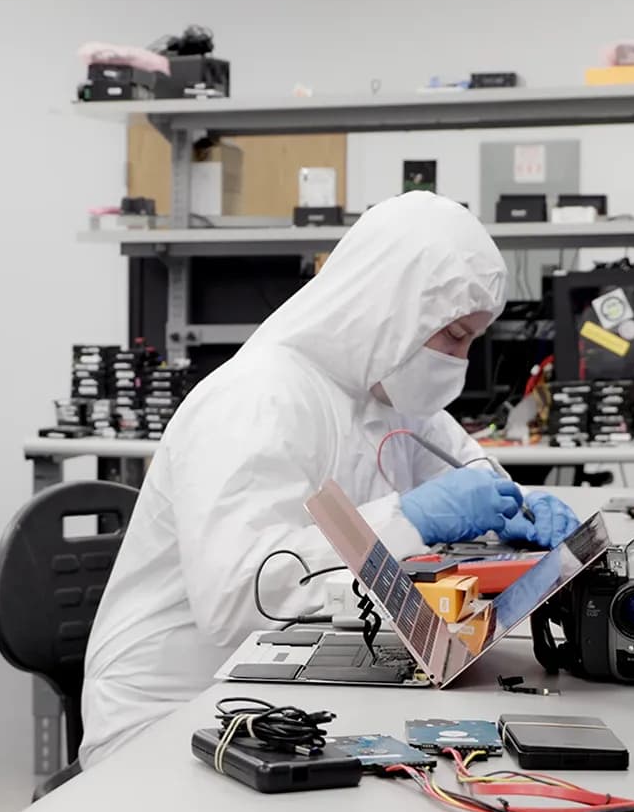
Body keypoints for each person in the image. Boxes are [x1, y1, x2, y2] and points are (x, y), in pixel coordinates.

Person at [79, 191, 579, 767]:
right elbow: (243, 601)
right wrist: (408, 518)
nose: (460, 359)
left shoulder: (389, 391)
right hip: (171, 721)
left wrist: (519, 507)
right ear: (394, 311)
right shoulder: (256, 398)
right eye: (455, 335)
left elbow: (474, 476)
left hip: (286, 691)